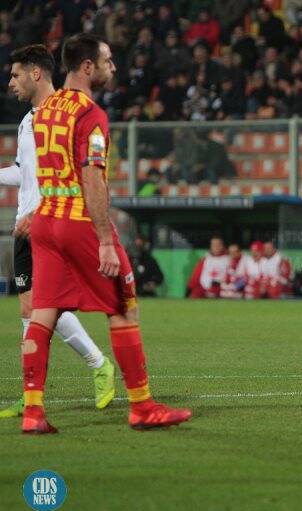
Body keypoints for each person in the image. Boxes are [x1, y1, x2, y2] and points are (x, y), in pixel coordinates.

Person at [22, 33, 190, 433]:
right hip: (79, 222)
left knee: (42, 313)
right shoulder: (90, 114)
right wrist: (103, 240)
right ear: (87, 67)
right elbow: (92, 178)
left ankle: (32, 411)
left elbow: (46, 168)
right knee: (123, 307)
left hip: (45, 221)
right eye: (108, 61)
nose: (113, 68)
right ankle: (142, 405)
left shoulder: (44, 109)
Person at [0, 44, 115, 420]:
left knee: (41, 308)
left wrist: (40, 213)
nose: (10, 83)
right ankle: (33, 392)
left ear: (36, 73)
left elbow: (75, 173)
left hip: (48, 223)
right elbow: (25, 171)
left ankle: (98, 365)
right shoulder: (27, 121)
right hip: (25, 224)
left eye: (15, 74)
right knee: (31, 309)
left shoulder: (60, 116)